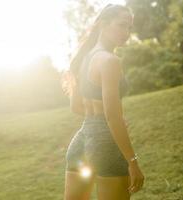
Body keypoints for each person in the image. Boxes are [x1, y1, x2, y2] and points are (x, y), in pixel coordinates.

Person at [61, 4, 145, 200]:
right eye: (121, 25)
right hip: (106, 145)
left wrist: (98, 120)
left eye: (129, 28)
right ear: (102, 25)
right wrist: (133, 162)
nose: (126, 32)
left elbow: (76, 107)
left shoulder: (82, 59)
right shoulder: (110, 61)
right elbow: (112, 116)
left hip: (80, 143)